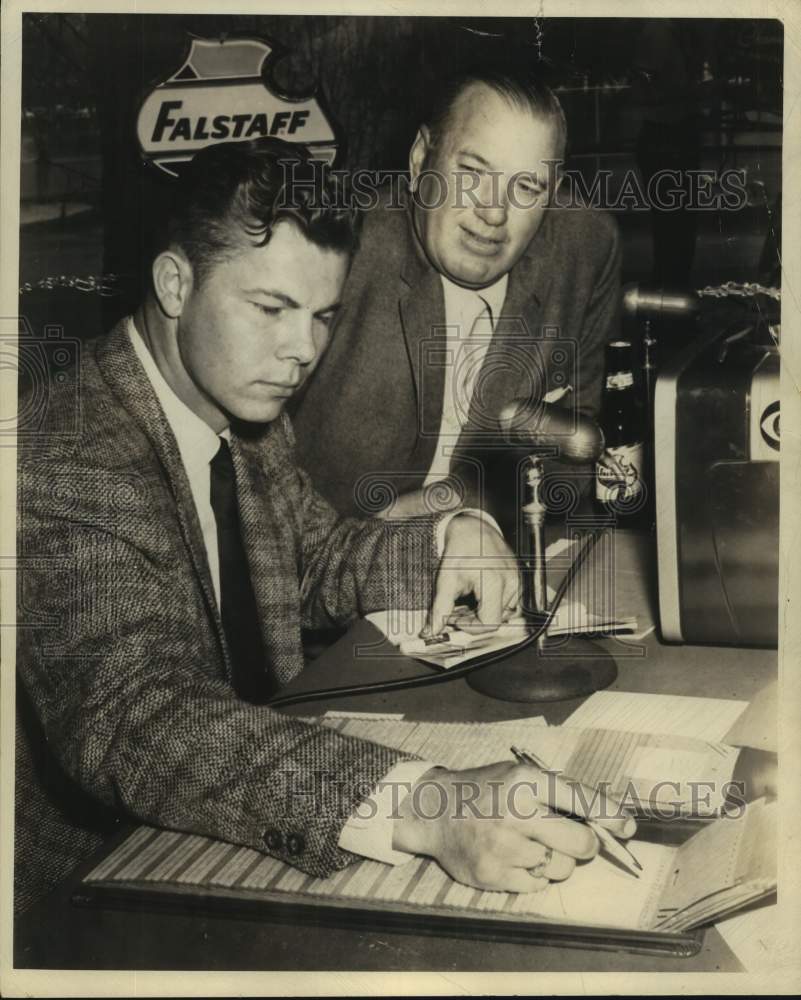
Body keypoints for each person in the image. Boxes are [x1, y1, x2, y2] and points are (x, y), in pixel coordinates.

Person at [15, 137, 633, 916]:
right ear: (174, 283)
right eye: (270, 309)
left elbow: (314, 562)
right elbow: (136, 719)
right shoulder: (62, 454)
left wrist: (451, 538)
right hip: (84, 893)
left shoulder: (241, 407)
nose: (302, 350)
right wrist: (423, 805)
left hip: (236, 819)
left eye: (321, 316)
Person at [290, 66, 622, 536]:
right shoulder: (342, 249)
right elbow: (254, 474)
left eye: (527, 187)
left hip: (505, 554)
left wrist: (459, 506)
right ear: (420, 159)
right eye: (473, 172)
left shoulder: (585, 246)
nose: (493, 212)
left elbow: (575, 461)